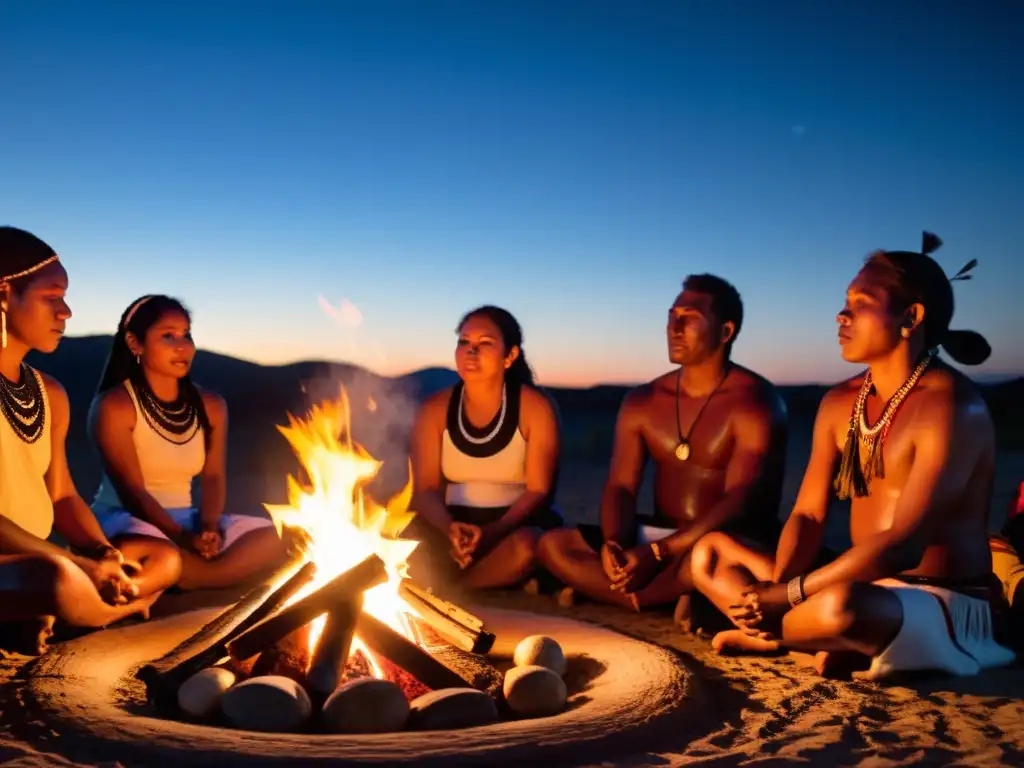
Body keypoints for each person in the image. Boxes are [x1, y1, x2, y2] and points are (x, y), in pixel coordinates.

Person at [691, 232, 1015, 681]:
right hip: (861, 588)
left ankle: (794, 634)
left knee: (842, 608)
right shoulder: (839, 403)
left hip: (939, 602)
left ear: (910, 316)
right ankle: (792, 632)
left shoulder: (953, 405)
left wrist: (786, 598)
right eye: (845, 301)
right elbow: (807, 514)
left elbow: (904, 546)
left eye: (861, 302)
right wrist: (776, 589)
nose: (841, 315)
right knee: (709, 555)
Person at [537, 274, 788, 615]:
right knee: (553, 545)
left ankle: (645, 594)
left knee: (709, 558)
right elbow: (621, 486)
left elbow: (738, 501)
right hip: (660, 536)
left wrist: (658, 554)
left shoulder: (756, 401)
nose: (674, 327)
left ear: (725, 332)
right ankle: (674, 594)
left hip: (721, 541)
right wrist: (615, 543)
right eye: (672, 316)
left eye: (690, 318)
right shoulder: (643, 400)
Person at [0, 227, 180, 652]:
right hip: (33, 568)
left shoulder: (51, 394)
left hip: (47, 556)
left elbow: (62, 497)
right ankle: (109, 610)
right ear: (5, 294)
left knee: (163, 557)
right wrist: (74, 562)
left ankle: (57, 611)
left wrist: (101, 553)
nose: (66, 312)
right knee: (55, 580)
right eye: (52, 296)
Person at [88, 294, 287, 590]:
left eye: (186, 335)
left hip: (187, 519)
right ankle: (207, 575)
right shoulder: (115, 406)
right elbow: (133, 493)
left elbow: (214, 476)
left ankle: (197, 577)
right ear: (135, 344)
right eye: (168, 336)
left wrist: (209, 528)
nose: (182, 345)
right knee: (149, 553)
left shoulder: (211, 405)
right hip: (126, 519)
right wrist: (181, 538)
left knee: (286, 535)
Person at [407, 305, 562, 590]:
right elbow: (425, 489)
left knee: (529, 547)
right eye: (464, 342)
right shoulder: (434, 409)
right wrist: (448, 529)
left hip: (512, 525)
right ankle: (490, 578)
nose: (470, 351)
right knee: (401, 540)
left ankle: (456, 588)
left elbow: (540, 492)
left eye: (485, 344)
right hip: (451, 523)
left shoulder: (534, 407)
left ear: (510, 356)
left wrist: (491, 533)